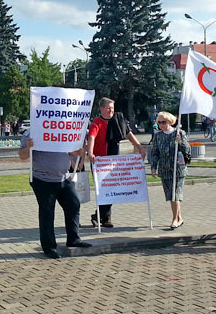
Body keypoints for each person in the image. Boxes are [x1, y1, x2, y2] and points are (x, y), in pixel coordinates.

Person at [19, 130, 92, 259]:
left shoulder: (60, 128)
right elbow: (22, 155)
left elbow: (66, 150)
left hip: (64, 177)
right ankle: (49, 247)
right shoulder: (32, 132)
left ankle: (73, 239)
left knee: (73, 205)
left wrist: (76, 153)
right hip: (42, 179)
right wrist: (28, 147)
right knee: (47, 212)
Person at [87, 97, 146, 228]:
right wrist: (90, 153)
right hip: (99, 161)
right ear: (101, 108)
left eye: (112, 108)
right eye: (108, 108)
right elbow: (91, 137)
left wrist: (140, 147)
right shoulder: (97, 122)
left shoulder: (118, 119)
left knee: (113, 187)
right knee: (103, 189)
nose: (111, 111)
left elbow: (129, 133)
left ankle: (102, 216)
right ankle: (103, 217)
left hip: (114, 159)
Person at [150, 112, 190, 229]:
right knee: (170, 195)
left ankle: (175, 219)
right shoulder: (158, 136)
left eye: (164, 122)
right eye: (159, 123)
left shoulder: (179, 133)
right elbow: (155, 152)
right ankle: (179, 218)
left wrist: (180, 142)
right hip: (165, 169)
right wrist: (153, 167)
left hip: (178, 169)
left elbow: (187, 150)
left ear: (170, 121)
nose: (161, 125)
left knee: (175, 194)